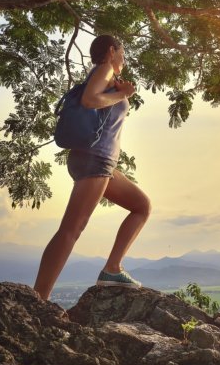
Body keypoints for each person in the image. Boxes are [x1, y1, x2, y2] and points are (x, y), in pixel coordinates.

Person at [34, 34, 150, 300]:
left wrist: (119, 92)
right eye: (123, 51)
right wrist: (123, 94)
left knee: (141, 206)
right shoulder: (105, 69)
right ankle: (39, 297)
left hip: (101, 161)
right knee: (72, 228)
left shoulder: (104, 74)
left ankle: (112, 268)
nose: (124, 57)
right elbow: (89, 100)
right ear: (112, 51)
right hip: (95, 159)